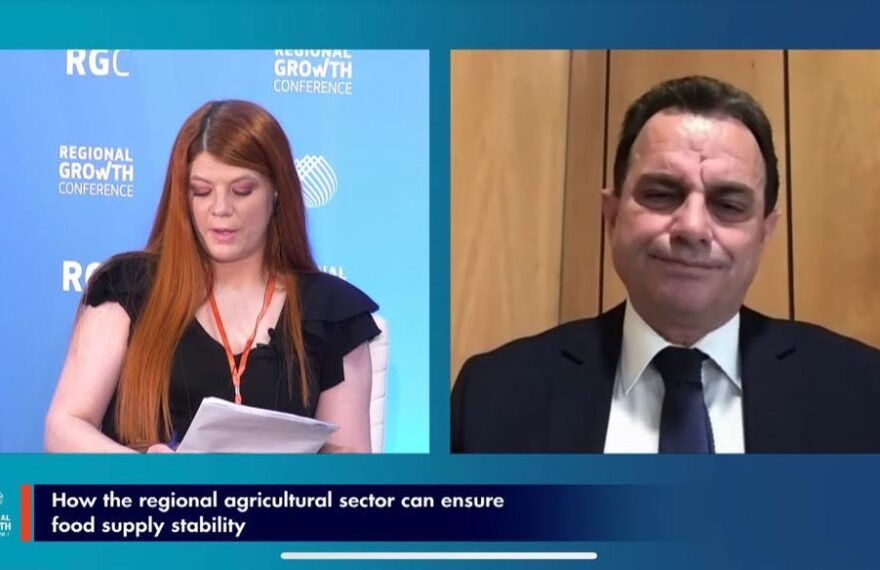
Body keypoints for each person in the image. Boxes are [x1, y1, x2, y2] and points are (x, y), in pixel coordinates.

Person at [452, 75, 880, 454]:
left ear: (764, 233)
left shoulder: (863, 393)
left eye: (728, 204)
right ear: (612, 217)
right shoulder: (492, 396)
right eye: (660, 194)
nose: (692, 227)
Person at [45, 100, 379, 453]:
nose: (220, 209)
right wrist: (145, 472)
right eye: (202, 191)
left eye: (241, 191)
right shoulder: (126, 288)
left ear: (277, 191)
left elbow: (351, 468)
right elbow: (65, 426)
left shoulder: (334, 313)